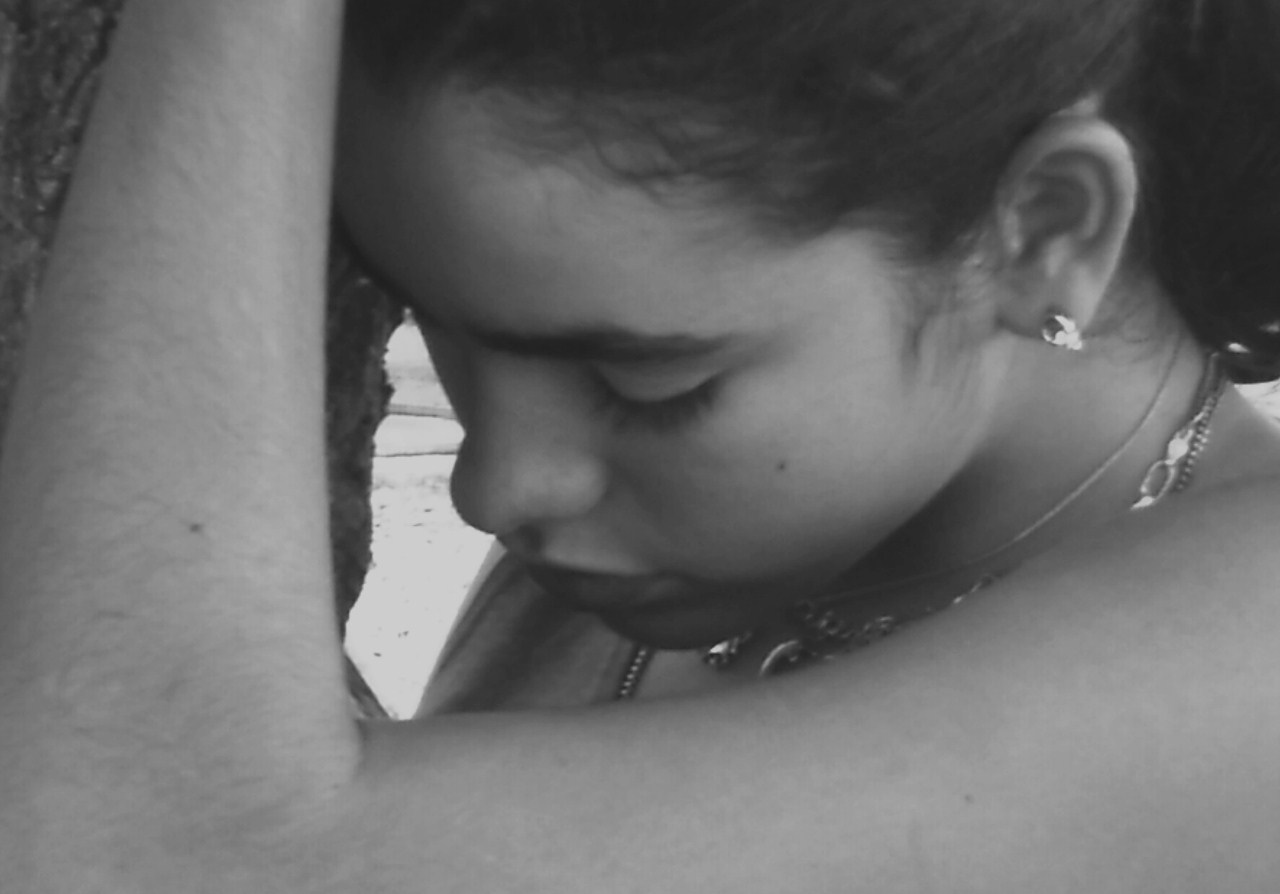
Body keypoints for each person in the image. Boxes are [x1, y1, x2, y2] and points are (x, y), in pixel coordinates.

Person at [2, 0, 1279, 890]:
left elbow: (132, 854)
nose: (495, 487)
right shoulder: (709, 558)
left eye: (644, 384)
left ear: (1044, 228)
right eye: (435, 332)